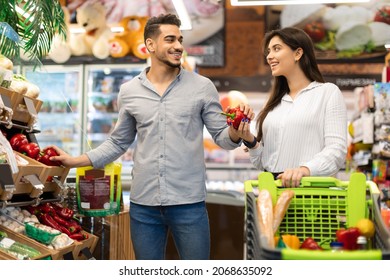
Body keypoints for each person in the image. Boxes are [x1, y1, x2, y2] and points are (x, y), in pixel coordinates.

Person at [50, 13, 254, 260]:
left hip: (188, 204)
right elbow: (118, 142)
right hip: (144, 206)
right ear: (150, 45)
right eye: (170, 39)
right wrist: (74, 161)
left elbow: (222, 137)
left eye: (180, 39)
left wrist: (235, 131)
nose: (178, 46)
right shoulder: (129, 91)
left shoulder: (202, 87)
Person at [232, 27, 347, 188]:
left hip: (311, 195)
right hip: (272, 192)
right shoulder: (273, 103)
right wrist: (250, 140)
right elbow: (264, 163)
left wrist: (305, 170)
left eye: (276, 49)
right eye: (268, 51)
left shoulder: (327, 93)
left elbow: (337, 151)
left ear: (298, 53)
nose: (269, 56)